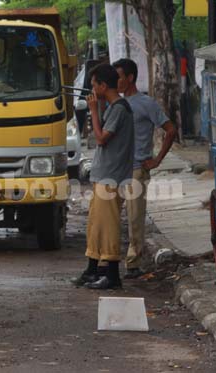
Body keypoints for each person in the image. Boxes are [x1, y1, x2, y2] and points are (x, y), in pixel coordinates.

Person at [70, 63, 134, 290]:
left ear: (103, 85)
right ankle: (93, 269)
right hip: (104, 174)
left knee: (108, 226)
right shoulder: (113, 107)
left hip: (112, 176)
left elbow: (100, 138)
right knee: (96, 225)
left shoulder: (119, 108)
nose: (92, 90)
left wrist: (94, 111)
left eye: (94, 84)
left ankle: (113, 275)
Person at [112, 58, 177, 279]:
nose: (115, 81)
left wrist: (157, 159)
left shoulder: (146, 103)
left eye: (118, 77)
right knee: (110, 216)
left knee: (134, 218)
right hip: (117, 168)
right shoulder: (116, 103)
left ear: (129, 78)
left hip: (137, 168)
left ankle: (133, 262)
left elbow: (170, 130)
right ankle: (108, 260)